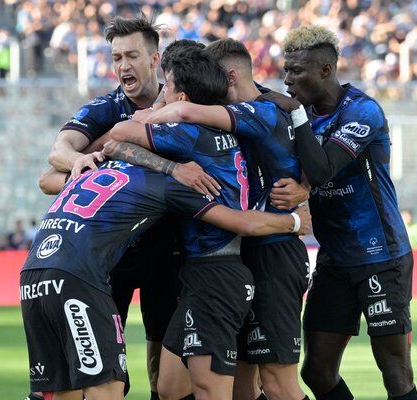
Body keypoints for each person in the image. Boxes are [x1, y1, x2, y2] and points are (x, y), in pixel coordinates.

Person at [21, 159, 308, 400]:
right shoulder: (163, 183)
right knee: (106, 388)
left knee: (64, 391)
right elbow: (240, 222)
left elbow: (47, 180)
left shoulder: (103, 168)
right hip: (77, 279)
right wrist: (293, 222)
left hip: (32, 275)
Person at [132, 38, 312, 400]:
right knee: (241, 387)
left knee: (278, 384)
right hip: (240, 256)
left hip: (273, 253)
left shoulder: (262, 110)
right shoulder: (227, 124)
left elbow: (183, 113)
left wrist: (302, 197)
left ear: (227, 77)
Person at [34, 14, 181, 400]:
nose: (122, 66)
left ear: (154, 59)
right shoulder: (106, 109)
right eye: (116, 57)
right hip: (106, 260)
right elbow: (55, 161)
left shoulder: (182, 103)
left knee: (162, 372)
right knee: (99, 374)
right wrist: (81, 166)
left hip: (168, 253)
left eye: (131, 55)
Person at [280, 25, 417, 400]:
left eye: (297, 71)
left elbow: (323, 169)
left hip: (381, 255)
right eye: (286, 70)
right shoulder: (300, 114)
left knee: (394, 370)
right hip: (334, 259)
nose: (288, 79)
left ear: (326, 70)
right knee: (317, 371)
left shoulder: (363, 111)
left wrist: (294, 117)